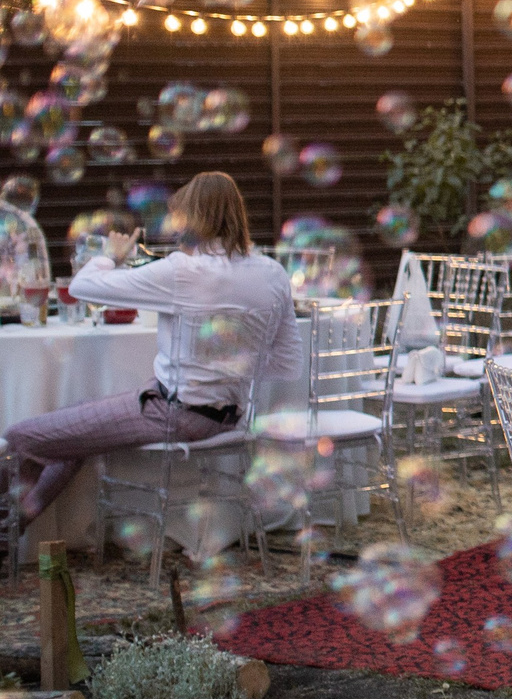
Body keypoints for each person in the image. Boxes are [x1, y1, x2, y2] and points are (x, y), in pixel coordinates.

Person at [7, 173, 299, 520]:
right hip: (229, 420)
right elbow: (287, 363)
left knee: (19, 438)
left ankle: (5, 534)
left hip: (173, 414)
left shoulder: (182, 271)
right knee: (72, 436)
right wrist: (224, 374)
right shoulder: (272, 273)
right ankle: (12, 528)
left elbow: (84, 287)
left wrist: (111, 256)